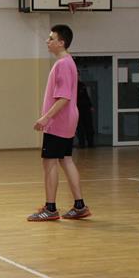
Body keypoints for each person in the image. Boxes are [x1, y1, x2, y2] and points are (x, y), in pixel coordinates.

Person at [27, 24, 90, 221]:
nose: (47, 41)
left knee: (49, 162)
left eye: (51, 38)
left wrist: (46, 117)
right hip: (68, 120)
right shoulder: (69, 62)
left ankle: (50, 208)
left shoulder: (62, 64)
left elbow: (63, 98)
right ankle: (80, 206)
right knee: (66, 159)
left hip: (58, 121)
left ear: (61, 42)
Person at [75, 81, 95, 148]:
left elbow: (86, 96)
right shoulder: (72, 84)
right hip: (78, 109)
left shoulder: (81, 85)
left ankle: (90, 143)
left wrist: (90, 106)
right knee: (80, 127)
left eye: (78, 75)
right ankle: (82, 144)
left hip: (85, 108)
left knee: (88, 126)